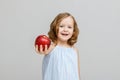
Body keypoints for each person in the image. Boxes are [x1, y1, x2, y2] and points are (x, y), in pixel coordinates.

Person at [35, 12, 80, 80]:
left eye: (69, 27)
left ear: (73, 31)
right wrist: (41, 50)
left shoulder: (74, 50)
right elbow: (44, 51)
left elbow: (77, 72)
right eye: (61, 26)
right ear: (55, 28)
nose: (65, 29)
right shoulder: (51, 47)